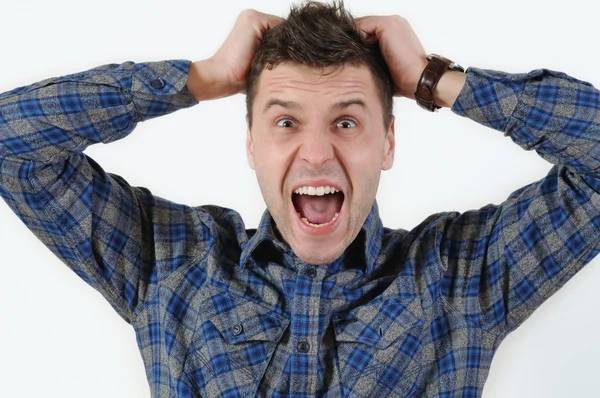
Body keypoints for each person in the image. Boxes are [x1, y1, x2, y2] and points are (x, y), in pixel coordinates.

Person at [1, 1, 599, 397]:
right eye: (286, 123)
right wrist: (200, 78)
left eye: (346, 123)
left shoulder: (462, 274)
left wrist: (430, 77)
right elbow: (11, 146)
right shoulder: (169, 260)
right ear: (252, 144)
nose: (315, 154)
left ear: (387, 142)